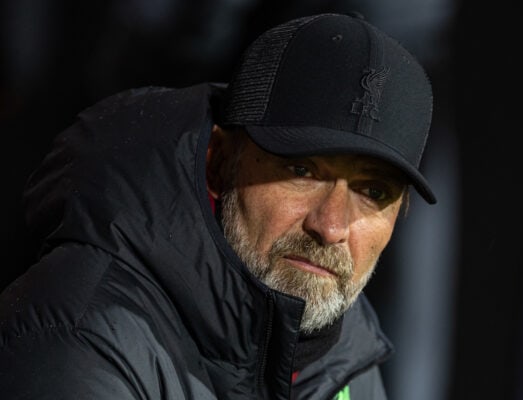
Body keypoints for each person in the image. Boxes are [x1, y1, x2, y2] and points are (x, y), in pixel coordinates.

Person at [0, 13, 435, 400]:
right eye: (302, 170)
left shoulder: (345, 352)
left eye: (373, 192)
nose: (331, 226)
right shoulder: (78, 342)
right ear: (219, 161)